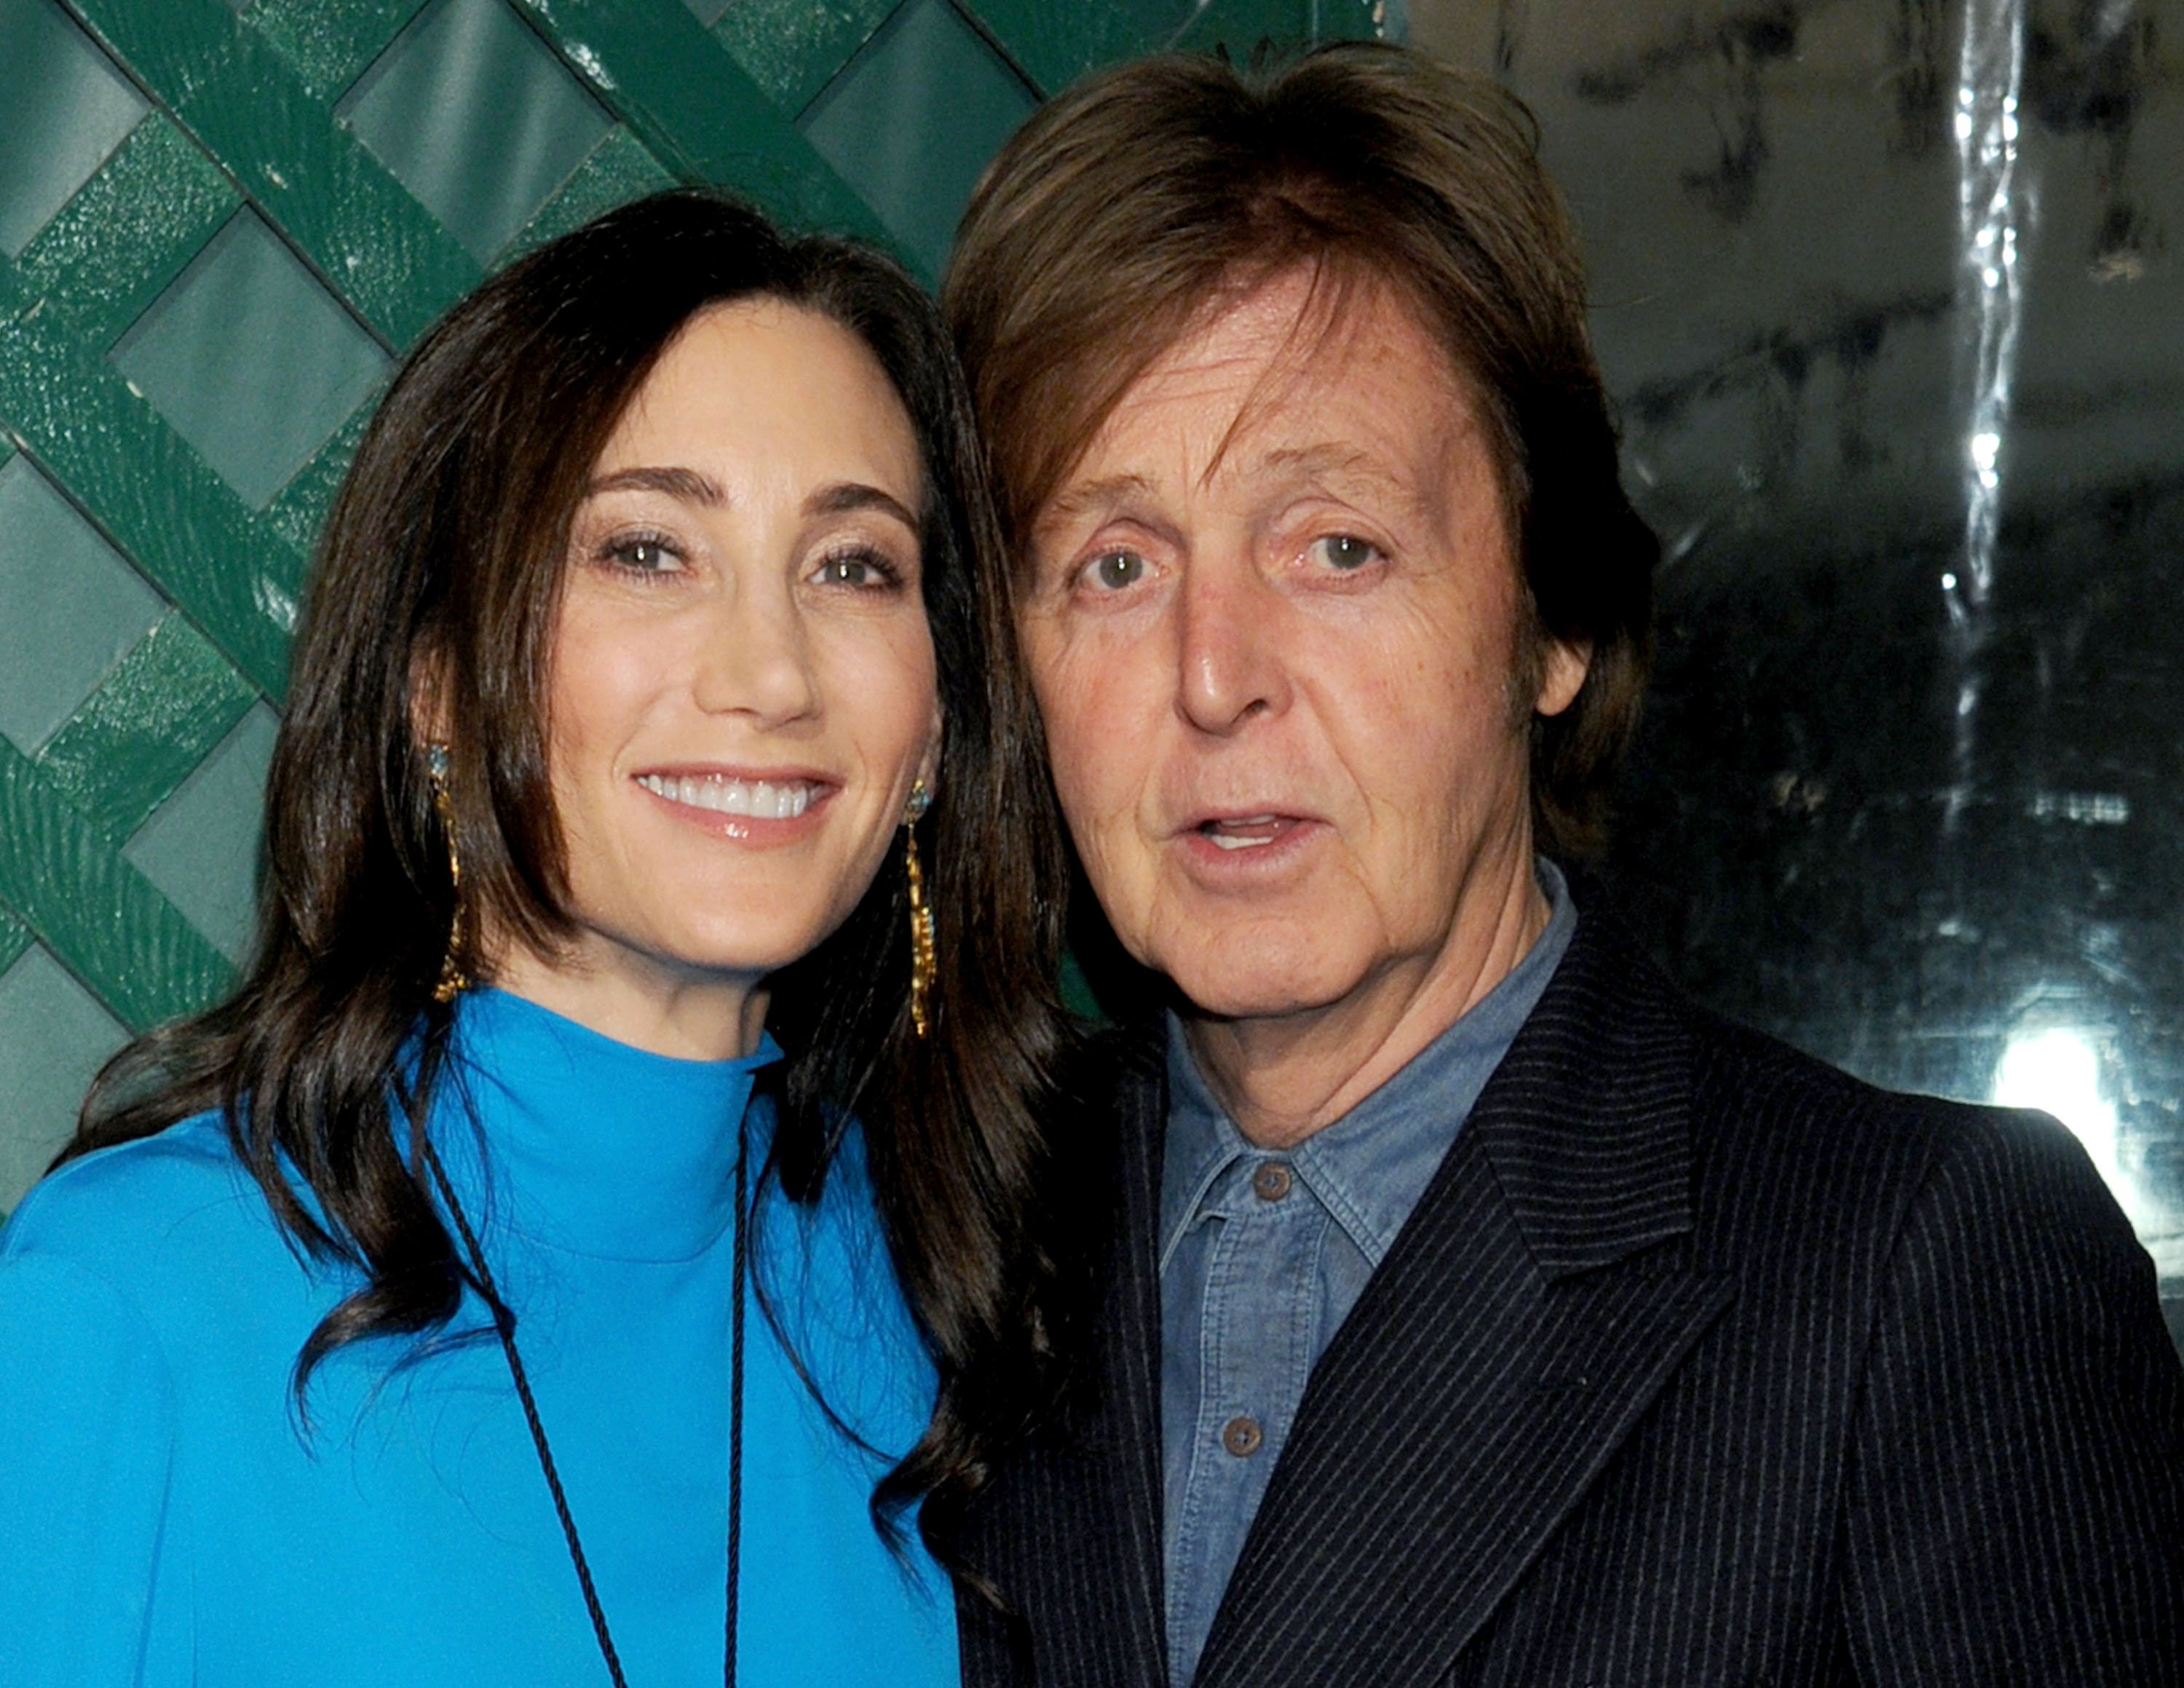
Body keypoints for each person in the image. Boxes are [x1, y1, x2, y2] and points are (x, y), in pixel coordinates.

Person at [941, 42, 2184, 1687]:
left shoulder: (1917, 1278)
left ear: (1557, 623)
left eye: (1338, 547)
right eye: (1112, 564)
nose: (1213, 669)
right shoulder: (937, 1241)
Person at [0, 189, 1070, 1685]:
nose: (769, 671)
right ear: (435, 678)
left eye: (854, 566)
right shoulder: (129, 1300)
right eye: (646, 549)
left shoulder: (949, 1305)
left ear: (940, 726)